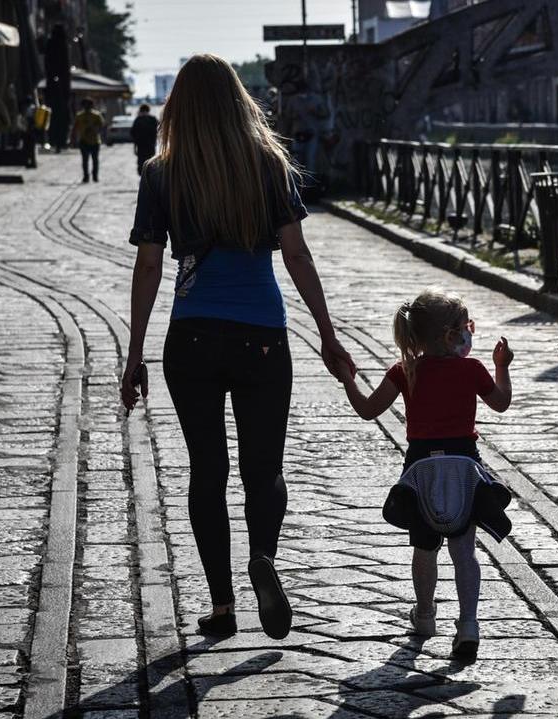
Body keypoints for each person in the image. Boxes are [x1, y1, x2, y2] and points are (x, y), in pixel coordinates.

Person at [121, 54, 352, 641]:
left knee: (207, 471)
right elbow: (296, 255)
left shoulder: (161, 174)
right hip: (264, 339)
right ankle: (264, 560)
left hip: (192, 337)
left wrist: (134, 354)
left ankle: (221, 606)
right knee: (263, 471)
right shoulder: (269, 164)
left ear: (178, 108)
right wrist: (327, 334)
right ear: (238, 101)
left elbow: (149, 266)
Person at [335, 290, 513, 660]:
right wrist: (502, 366)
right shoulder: (472, 369)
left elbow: (369, 409)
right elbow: (501, 402)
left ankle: (426, 614)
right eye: (467, 327)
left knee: (425, 547)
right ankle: (468, 625)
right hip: (464, 464)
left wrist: (348, 380)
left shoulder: (405, 371)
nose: (470, 333)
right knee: (464, 549)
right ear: (451, 335)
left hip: (421, 469)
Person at [72, 98, 105, 182]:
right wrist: (73, 139)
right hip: (83, 140)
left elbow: (102, 127)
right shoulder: (79, 116)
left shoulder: (97, 115)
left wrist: (95, 129)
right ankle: (86, 176)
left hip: (95, 141)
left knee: (95, 160)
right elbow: (75, 128)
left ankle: (95, 176)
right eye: (85, 105)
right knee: (85, 160)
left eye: (88, 105)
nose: (86, 107)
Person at [131, 104, 159, 176]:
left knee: (141, 162)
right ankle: (150, 175)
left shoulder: (138, 120)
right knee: (151, 161)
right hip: (151, 145)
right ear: (148, 110)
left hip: (140, 145)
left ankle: (142, 176)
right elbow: (159, 130)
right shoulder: (153, 119)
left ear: (141, 110)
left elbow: (133, 134)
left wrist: (134, 147)